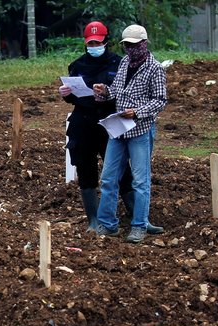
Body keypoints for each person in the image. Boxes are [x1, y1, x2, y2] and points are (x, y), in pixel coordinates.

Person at [92, 24, 168, 243]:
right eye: (127, 45)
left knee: (140, 181)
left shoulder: (154, 68)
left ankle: (139, 226)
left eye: (134, 45)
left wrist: (137, 112)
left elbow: (160, 100)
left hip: (140, 130)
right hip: (118, 130)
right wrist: (104, 91)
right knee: (108, 178)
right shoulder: (125, 62)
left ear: (144, 44)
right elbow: (116, 91)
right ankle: (107, 224)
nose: (130, 49)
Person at [58, 21, 133, 232]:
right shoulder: (77, 65)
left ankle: (134, 213)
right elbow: (73, 98)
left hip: (109, 122)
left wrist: (107, 94)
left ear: (106, 42)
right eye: (90, 43)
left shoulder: (119, 64)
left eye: (97, 42)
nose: (94, 46)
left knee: (120, 168)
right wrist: (67, 94)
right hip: (83, 122)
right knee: (85, 168)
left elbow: (126, 94)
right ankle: (93, 218)